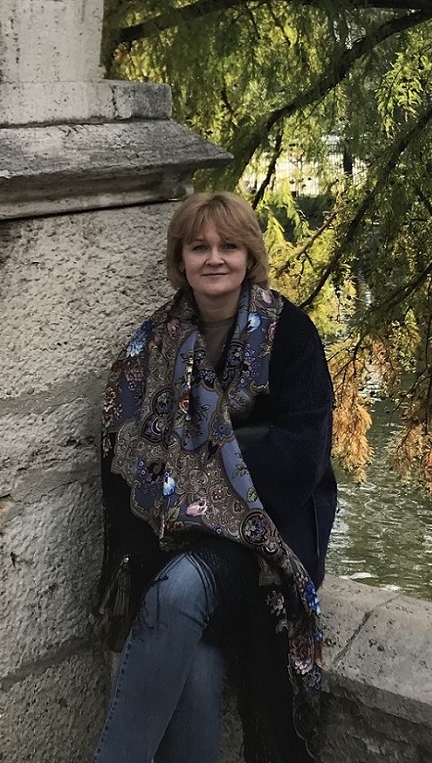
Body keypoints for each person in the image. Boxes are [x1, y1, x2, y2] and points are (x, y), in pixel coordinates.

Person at [94, 190, 338, 763]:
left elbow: (301, 457)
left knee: (177, 593)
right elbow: (121, 449)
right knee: (197, 666)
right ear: (180, 261)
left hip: (265, 533)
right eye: (198, 247)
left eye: (229, 246)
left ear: (249, 257)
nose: (214, 259)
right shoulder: (151, 343)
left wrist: (200, 487)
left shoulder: (290, 334)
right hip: (171, 536)